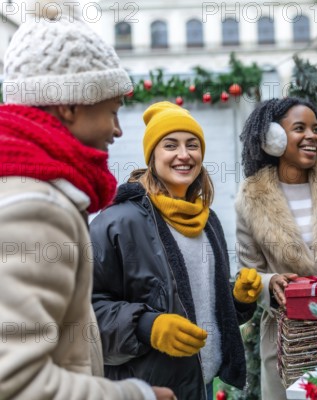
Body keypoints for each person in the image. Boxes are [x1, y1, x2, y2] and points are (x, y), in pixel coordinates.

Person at [0, 3, 175, 400]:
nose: (116, 130)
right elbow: (14, 382)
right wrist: (139, 396)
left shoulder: (29, 187)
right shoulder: (37, 208)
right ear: (69, 104)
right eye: (112, 111)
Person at [90, 101, 262, 399]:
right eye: (171, 145)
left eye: (192, 145)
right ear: (152, 155)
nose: (184, 155)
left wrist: (236, 301)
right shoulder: (116, 222)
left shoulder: (208, 221)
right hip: (148, 388)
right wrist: (148, 326)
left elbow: (200, 304)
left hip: (202, 384)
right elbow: (86, 311)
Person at [235, 97, 317, 398]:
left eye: (316, 129)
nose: (311, 136)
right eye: (299, 128)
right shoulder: (251, 198)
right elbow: (249, 271)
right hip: (286, 340)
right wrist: (269, 283)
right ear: (273, 138)